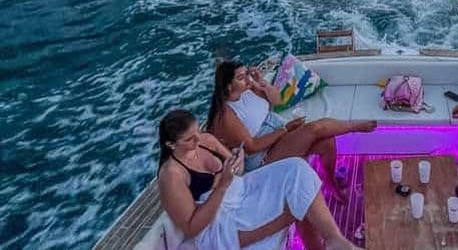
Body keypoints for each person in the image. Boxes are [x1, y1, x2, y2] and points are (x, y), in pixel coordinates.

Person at [157, 109, 361, 250]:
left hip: (242, 188)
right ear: (171, 145)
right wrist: (222, 186)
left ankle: (334, 239)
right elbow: (192, 227)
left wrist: (237, 161)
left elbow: (237, 168)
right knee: (298, 203)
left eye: (197, 132)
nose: (198, 139)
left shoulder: (207, 141)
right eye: (189, 139)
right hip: (221, 214)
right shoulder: (171, 176)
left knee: (296, 167)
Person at [206, 60, 377, 202]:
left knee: (327, 142)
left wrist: (261, 83)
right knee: (314, 129)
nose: (248, 80)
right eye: (241, 78)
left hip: (277, 133)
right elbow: (252, 147)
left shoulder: (248, 89)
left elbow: (277, 100)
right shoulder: (225, 115)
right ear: (228, 86)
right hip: (262, 156)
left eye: (247, 75)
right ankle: (355, 126)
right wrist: (285, 129)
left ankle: (330, 184)